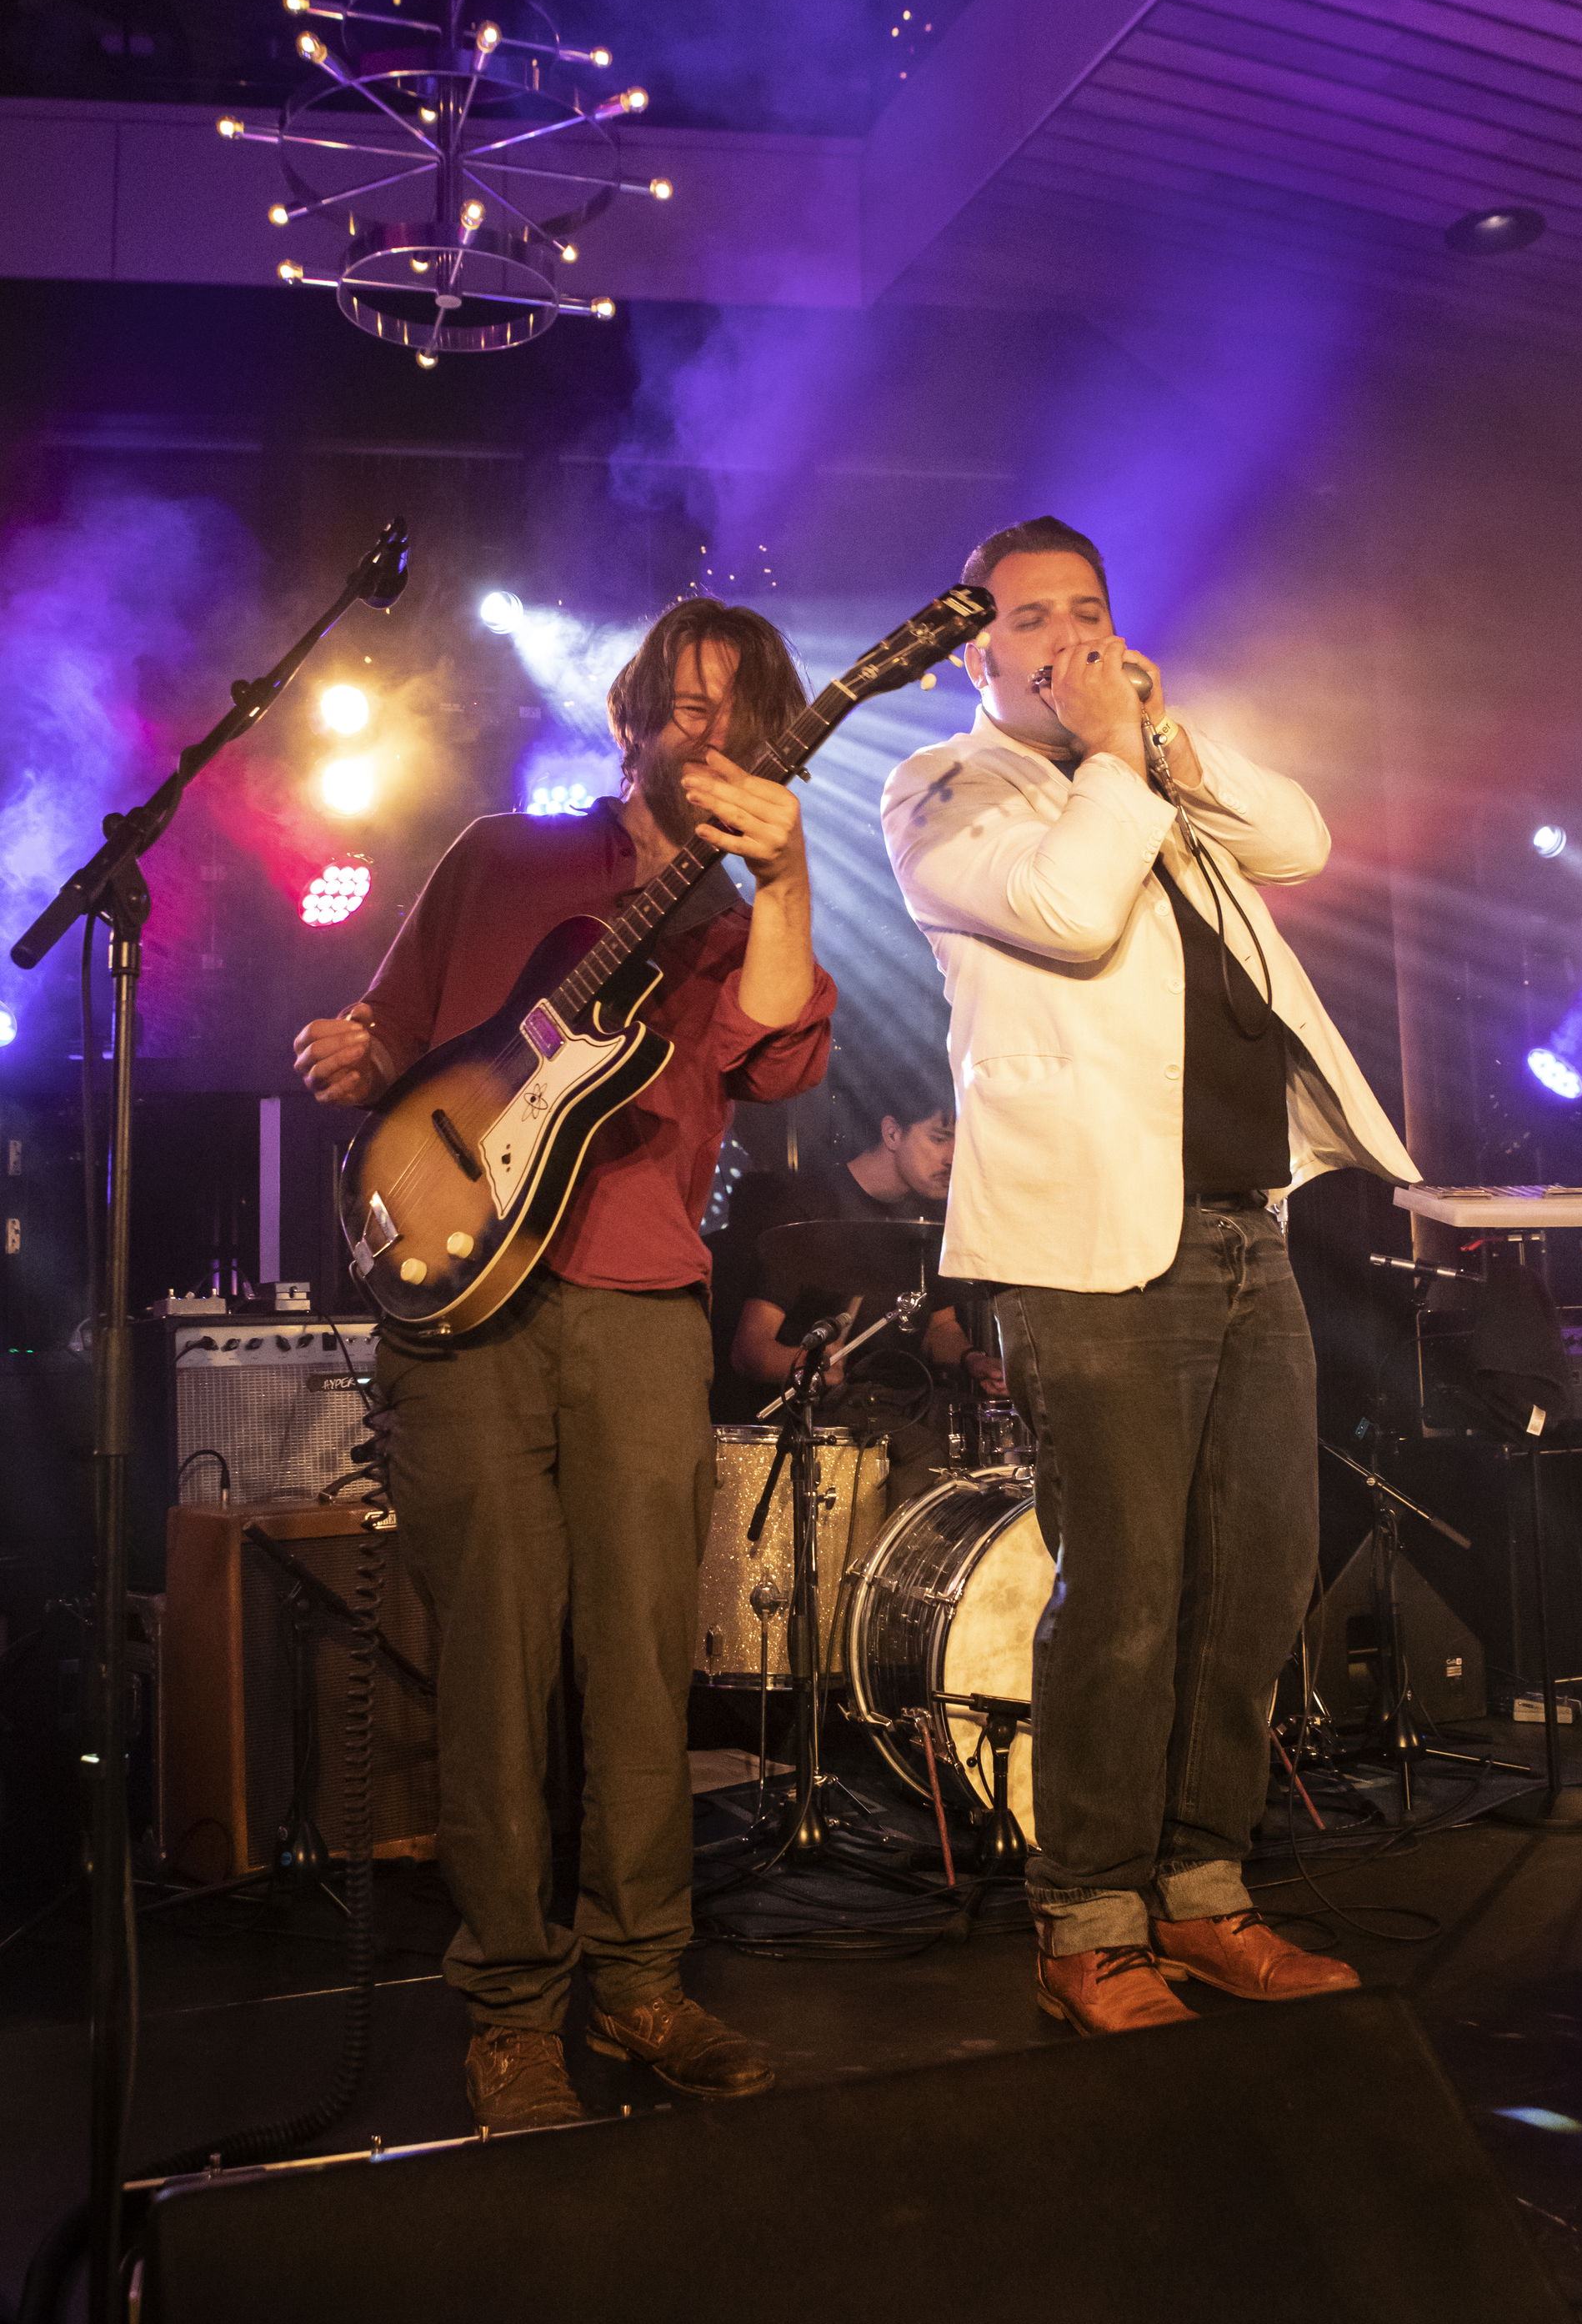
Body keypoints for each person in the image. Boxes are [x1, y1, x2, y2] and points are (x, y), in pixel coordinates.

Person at [293, 598, 835, 2128]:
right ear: (625, 717)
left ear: (775, 731)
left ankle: (645, 1982)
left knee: (643, 1663)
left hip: (641, 1302)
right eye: (675, 700)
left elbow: (783, 1049)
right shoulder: (500, 856)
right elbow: (390, 1041)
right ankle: (513, 2014)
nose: (701, 728)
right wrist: (356, 1059)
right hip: (464, 1313)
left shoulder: (739, 905)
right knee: (494, 1667)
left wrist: (785, 870)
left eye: (733, 707)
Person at [881, 515, 1419, 2036]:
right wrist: (1114, 759)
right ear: (977, 651)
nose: (1070, 639)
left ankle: (1206, 1895)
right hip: (1092, 1249)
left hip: (1249, 1223)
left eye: (1092, 611)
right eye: (1032, 617)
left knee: (1256, 1580)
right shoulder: (942, 792)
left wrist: (1159, 735)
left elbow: (1301, 842)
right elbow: (1064, 910)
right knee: (1122, 1593)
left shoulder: (1149, 775)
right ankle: (1088, 1924)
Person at [728, 1086, 1005, 1505]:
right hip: (826, 1428)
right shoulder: (807, 1208)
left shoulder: (932, 1216)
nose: (953, 1157)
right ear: (892, 1134)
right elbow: (751, 1351)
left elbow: (939, 1326)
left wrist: (975, 1360)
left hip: (909, 1410)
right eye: (939, 1137)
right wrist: (808, 1365)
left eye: (960, 1141)